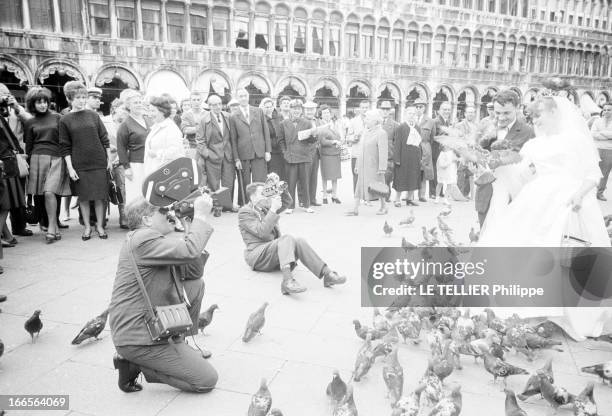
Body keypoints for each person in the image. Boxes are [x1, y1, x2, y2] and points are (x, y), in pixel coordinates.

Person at [478, 96, 612, 341]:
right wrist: (498, 165)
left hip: (571, 200)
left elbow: (593, 174)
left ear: (554, 112)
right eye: (533, 117)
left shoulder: (576, 140)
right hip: (537, 197)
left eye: (539, 115)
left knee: (567, 251)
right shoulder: (534, 145)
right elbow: (521, 175)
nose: (536, 121)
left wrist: (579, 196)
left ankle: (568, 311)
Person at [109, 194, 218, 393]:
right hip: (136, 335)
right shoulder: (143, 238)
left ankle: (178, 342)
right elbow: (189, 251)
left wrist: (188, 230)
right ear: (146, 220)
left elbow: (194, 271)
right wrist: (201, 216)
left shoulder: (153, 240)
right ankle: (134, 363)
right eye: (162, 211)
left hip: (152, 324)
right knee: (206, 380)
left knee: (195, 284)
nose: (169, 213)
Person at [238, 182, 346, 295]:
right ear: (253, 197)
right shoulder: (245, 212)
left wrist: (280, 188)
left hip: (273, 252)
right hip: (259, 255)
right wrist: (273, 209)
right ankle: (287, 281)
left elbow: (286, 202)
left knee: (299, 241)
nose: (267, 196)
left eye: (266, 192)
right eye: (263, 193)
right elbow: (262, 232)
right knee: (287, 238)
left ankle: (327, 274)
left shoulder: (264, 208)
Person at [59, 81, 111, 241]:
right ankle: (88, 227)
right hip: (79, 164)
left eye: (83, 97)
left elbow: (104, 138)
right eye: (78, 98)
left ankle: (100, 226)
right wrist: (70, 168)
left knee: (100, 196)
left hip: (98, 162)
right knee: (84, 197)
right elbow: (64, 146)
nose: (82, 100)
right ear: (69, 99)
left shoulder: (94, 116)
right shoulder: (65, 120)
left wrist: (108, 159)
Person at [474, 90, 535, 227]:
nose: (501, 118)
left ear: (518, 108)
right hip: (486, 195)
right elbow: (474, 153)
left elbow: (534, 165)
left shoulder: (528, 132)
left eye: (506, 113)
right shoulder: (484, 127)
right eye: (497, 113)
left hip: (513, 197)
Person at [23, 87, 70, 243]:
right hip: (36, 159)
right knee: (41, 196)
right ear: (32, 104)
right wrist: (27, 164)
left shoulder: (57, 117)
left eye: (44, 101)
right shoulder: (30, 122)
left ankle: (51, 226)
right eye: (38, 102)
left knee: (50, 192)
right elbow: (28, 146)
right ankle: (53, 227)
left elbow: (65, 140)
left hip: (57, 158)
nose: (42, 105)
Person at [0, 83, 33, 238]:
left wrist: (16, 107)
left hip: (17, 157)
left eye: (5, 94)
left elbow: (31, 122)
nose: (3, 98)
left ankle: (19, 227)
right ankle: (4, 232)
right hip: (3, 158)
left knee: (18, 194)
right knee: (5, 198)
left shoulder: (15, 111)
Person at [195, 94, 236, 210]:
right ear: (209, 106)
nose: (218, 107)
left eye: (219, 104)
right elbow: (200, 141)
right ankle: (216, 206)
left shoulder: (228, 117)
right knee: (213, 183)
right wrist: (208, 155)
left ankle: (228, 205)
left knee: (229, 181)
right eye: (214, 105)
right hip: (212, 157)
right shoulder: (203, 120)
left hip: (228, 156)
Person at [230, 89, 271, 204]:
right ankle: (246, 204)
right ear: (237, 99)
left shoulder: (258, 111)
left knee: (260, 181)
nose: (243, 98)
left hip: (259, 152)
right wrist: (236, 158)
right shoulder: (233, 116)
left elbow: (265, 132)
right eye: (240, 96)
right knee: (245, 182)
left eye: (245, 96)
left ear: (248, 97)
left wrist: (267, 151)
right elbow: (233, 139)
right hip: (243, 154)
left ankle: (262, 203)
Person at [346, 110, 389, 216]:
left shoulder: (381, 133)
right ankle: (355, 209)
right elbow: (361, 149)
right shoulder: (366, 132)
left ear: (375, 121)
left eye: (368, 119)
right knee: (359, 186)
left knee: (378, 187)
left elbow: (383, 151)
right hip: (363, 165)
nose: (365, 120)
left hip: (374, 166)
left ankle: (384, 206)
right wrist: (357, 164)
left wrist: (382, 167)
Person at [278, 100, 316, 214]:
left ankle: (306, 204)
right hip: (290, 157)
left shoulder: (307, 123)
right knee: (291, 182)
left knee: (305, 182)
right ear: (290, 109)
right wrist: (285, 153)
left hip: (304, 156)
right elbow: (280, 140)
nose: (296, 111)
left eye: (298, 109)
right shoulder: (283, 123)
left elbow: (311, 141)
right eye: (294, 108)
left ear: (301, 110)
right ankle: (290, 206)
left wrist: (314, 135)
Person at [117, 90, 150, 204]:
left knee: (149, 193)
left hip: (150, 162)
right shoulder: (125, 125)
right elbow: (121, 148)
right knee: (136, 194)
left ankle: (149, 220)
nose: (139, 104)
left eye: (140, 102)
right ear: (128, 106)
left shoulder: (148, 120)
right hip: (136, 165)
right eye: (135, 103)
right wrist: (127, 168)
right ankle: (135, 220)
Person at [143, 96, 185, 175]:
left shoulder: (171, 129)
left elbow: (176, 152)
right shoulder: (156, 126)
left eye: (153, 111)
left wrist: (157, 154)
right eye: (150, 111)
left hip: (165, 174)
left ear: (163, 111)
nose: (150, 114)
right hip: (154, 171)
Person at [392, 105, 422, 207]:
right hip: (403, 157)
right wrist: (396, 159)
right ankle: (397, 199)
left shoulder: (417, 128)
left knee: (413, 177)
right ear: (405, 115)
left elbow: (419, 144)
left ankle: (410, 199)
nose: (412, 116)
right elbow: (397, 144)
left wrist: (420, 157)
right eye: (410, 113)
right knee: (401, 178)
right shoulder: (401, 127)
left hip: (414, 157)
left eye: (414, 114)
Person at [317, 105, 342, 204]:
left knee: (335, 176)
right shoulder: (320, 126)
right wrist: (333, 142)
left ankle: (334, 195)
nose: (327, 115)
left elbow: (339, 136)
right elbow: (322, 141)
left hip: (335, 153)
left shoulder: (334, 124)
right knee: (325, 175)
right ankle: (324, 196)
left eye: (328, 112)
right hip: (326, 153)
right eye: (324, 113)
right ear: (321, 115)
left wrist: (339, 140)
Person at [346, 100, 369, 193]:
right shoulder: (353, 121)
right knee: (356, 175)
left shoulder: (372, 120)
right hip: (357, 153)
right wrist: (354, 137)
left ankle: (367, 196)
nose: (364, 109)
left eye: (366, 107)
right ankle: (357, 197)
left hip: (369, 153)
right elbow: (348, 137)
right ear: (359, 108)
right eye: (363, 107)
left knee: (368, 175)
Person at [260, 98, 286, 181]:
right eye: (266, 107)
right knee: (272, 175)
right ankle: (273, 193)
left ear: (273, 107)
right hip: (271, 151)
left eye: (270, 106)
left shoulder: (279, 116)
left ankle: (281, 194)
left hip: (281, 150)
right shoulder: (261, 118)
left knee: (282, 175)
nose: (269, 109)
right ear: (263, 107)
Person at [415, 99, 435, 202]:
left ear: (424, 108)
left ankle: (422, 195)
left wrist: (426, 146)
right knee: (412, 170)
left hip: (424, 147)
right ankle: (409, 194)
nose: (418, 109)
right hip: (413, 147)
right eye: (417, 107)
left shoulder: (430, 121)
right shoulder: (411, 118)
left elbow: (432, 137)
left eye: (421, 107)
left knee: (423, 172)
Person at [455, 105, 478, 198]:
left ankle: (466, 193)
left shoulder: (476, 126)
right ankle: (459, 193)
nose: (470, 114)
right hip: (462, 152)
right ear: (465, 114)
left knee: (470, 172)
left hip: (473, 153)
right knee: (461, 172)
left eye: (472, 112)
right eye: (469, 112)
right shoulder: (459, 125)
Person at [592, 101, 612, 201]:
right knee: (598, 172)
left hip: (610, 150)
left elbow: (598, 134)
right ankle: (594, 192)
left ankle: (599, 192)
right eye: (604, 110)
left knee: (605, 173)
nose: (606, 111)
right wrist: (609, 136)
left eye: (609, 110)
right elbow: (593, 134)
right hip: (599, 149)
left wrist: (602, 133)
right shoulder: (597, 121)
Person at [181, 91, 209, 159]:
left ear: (201, 101)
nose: (196, 102)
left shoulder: (207, 114)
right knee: (195, 167)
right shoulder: (186, 115)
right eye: (194, 100)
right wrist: (202, 128)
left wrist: (193, 129)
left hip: (207, 146)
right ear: (190, 101)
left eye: (198, 100)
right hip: (193, 147)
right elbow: (185, 130)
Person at [380, 101, 398, 200]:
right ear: (380, 110)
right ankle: (376, 195)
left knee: (386, 177)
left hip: (388, 155)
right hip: (376, 154)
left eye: (387, 109)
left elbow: (397, 143)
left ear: (390, 110)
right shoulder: (376, 122)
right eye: (383, 109)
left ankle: (386, 196)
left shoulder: (395, 125)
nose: (385, 111)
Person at [304, 101, 321, 207]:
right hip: (306, 152)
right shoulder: (302, 121)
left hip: (316, 152)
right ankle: (304, 200)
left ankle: (313, 199)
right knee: (304, 177)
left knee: (314, 176)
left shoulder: (318, 121)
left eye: (312, 109)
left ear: (315, 110)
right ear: (304, 110)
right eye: (307, 109)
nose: (310, 111)